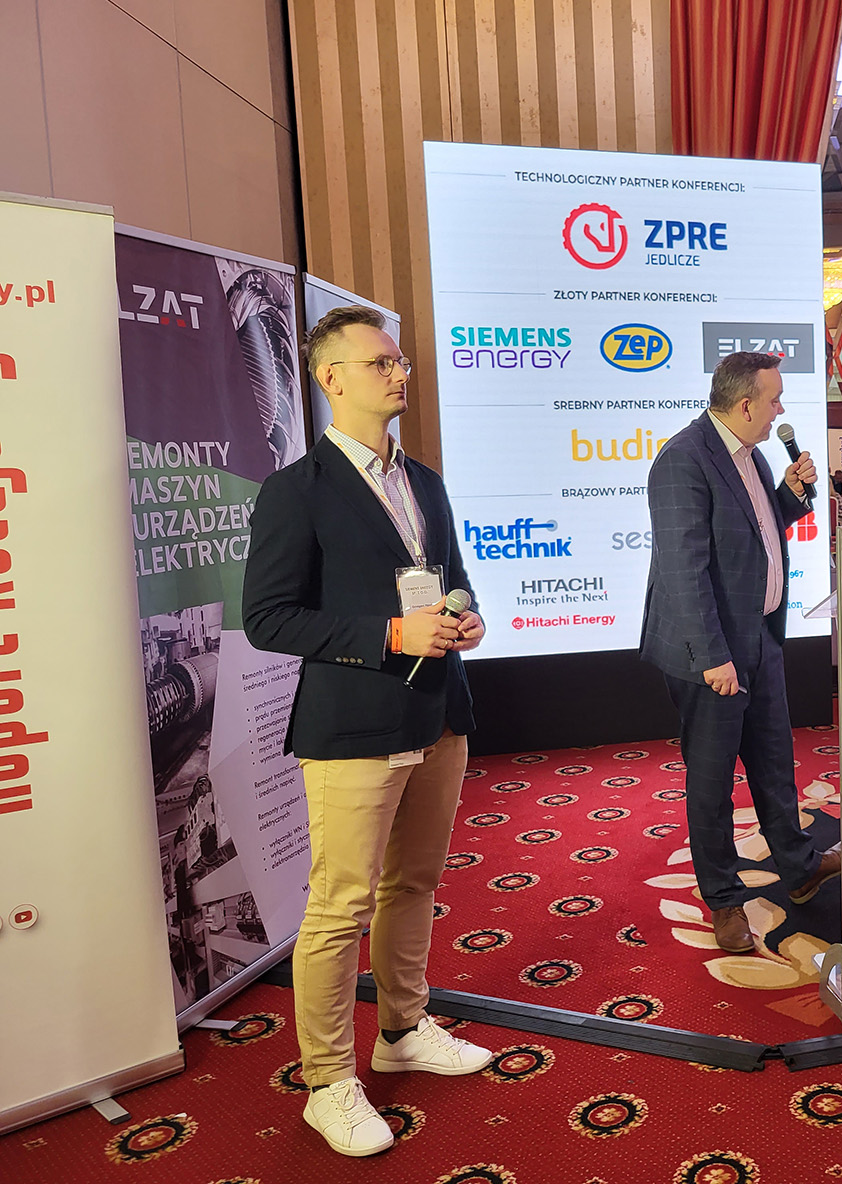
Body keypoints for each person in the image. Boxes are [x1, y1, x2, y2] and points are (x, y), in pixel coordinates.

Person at [243, 306, 491, 1157]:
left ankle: (403, 1030)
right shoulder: (295, 490)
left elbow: (450, 579)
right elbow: (268, 619)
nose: (398, 373)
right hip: (352, 724)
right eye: (379, 361)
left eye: (400, 361)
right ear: (330, 379)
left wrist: (464, 616)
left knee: (414, 883)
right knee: (338, 906)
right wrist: (390, 633)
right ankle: (327, 1083)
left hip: (439, 712)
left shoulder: (425, 481)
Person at [640, 351, 840, 953]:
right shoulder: (683, 459)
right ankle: (724, 899)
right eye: (774, 400)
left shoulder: (750, 454)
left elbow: (751, 533)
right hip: (713, 653)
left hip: (761, 638)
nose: (781, 410)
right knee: (712, 782)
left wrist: (790, 497)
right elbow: (684, 569)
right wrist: (713, 656)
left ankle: (799, 869)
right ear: (746, 404)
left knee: (775, 763)